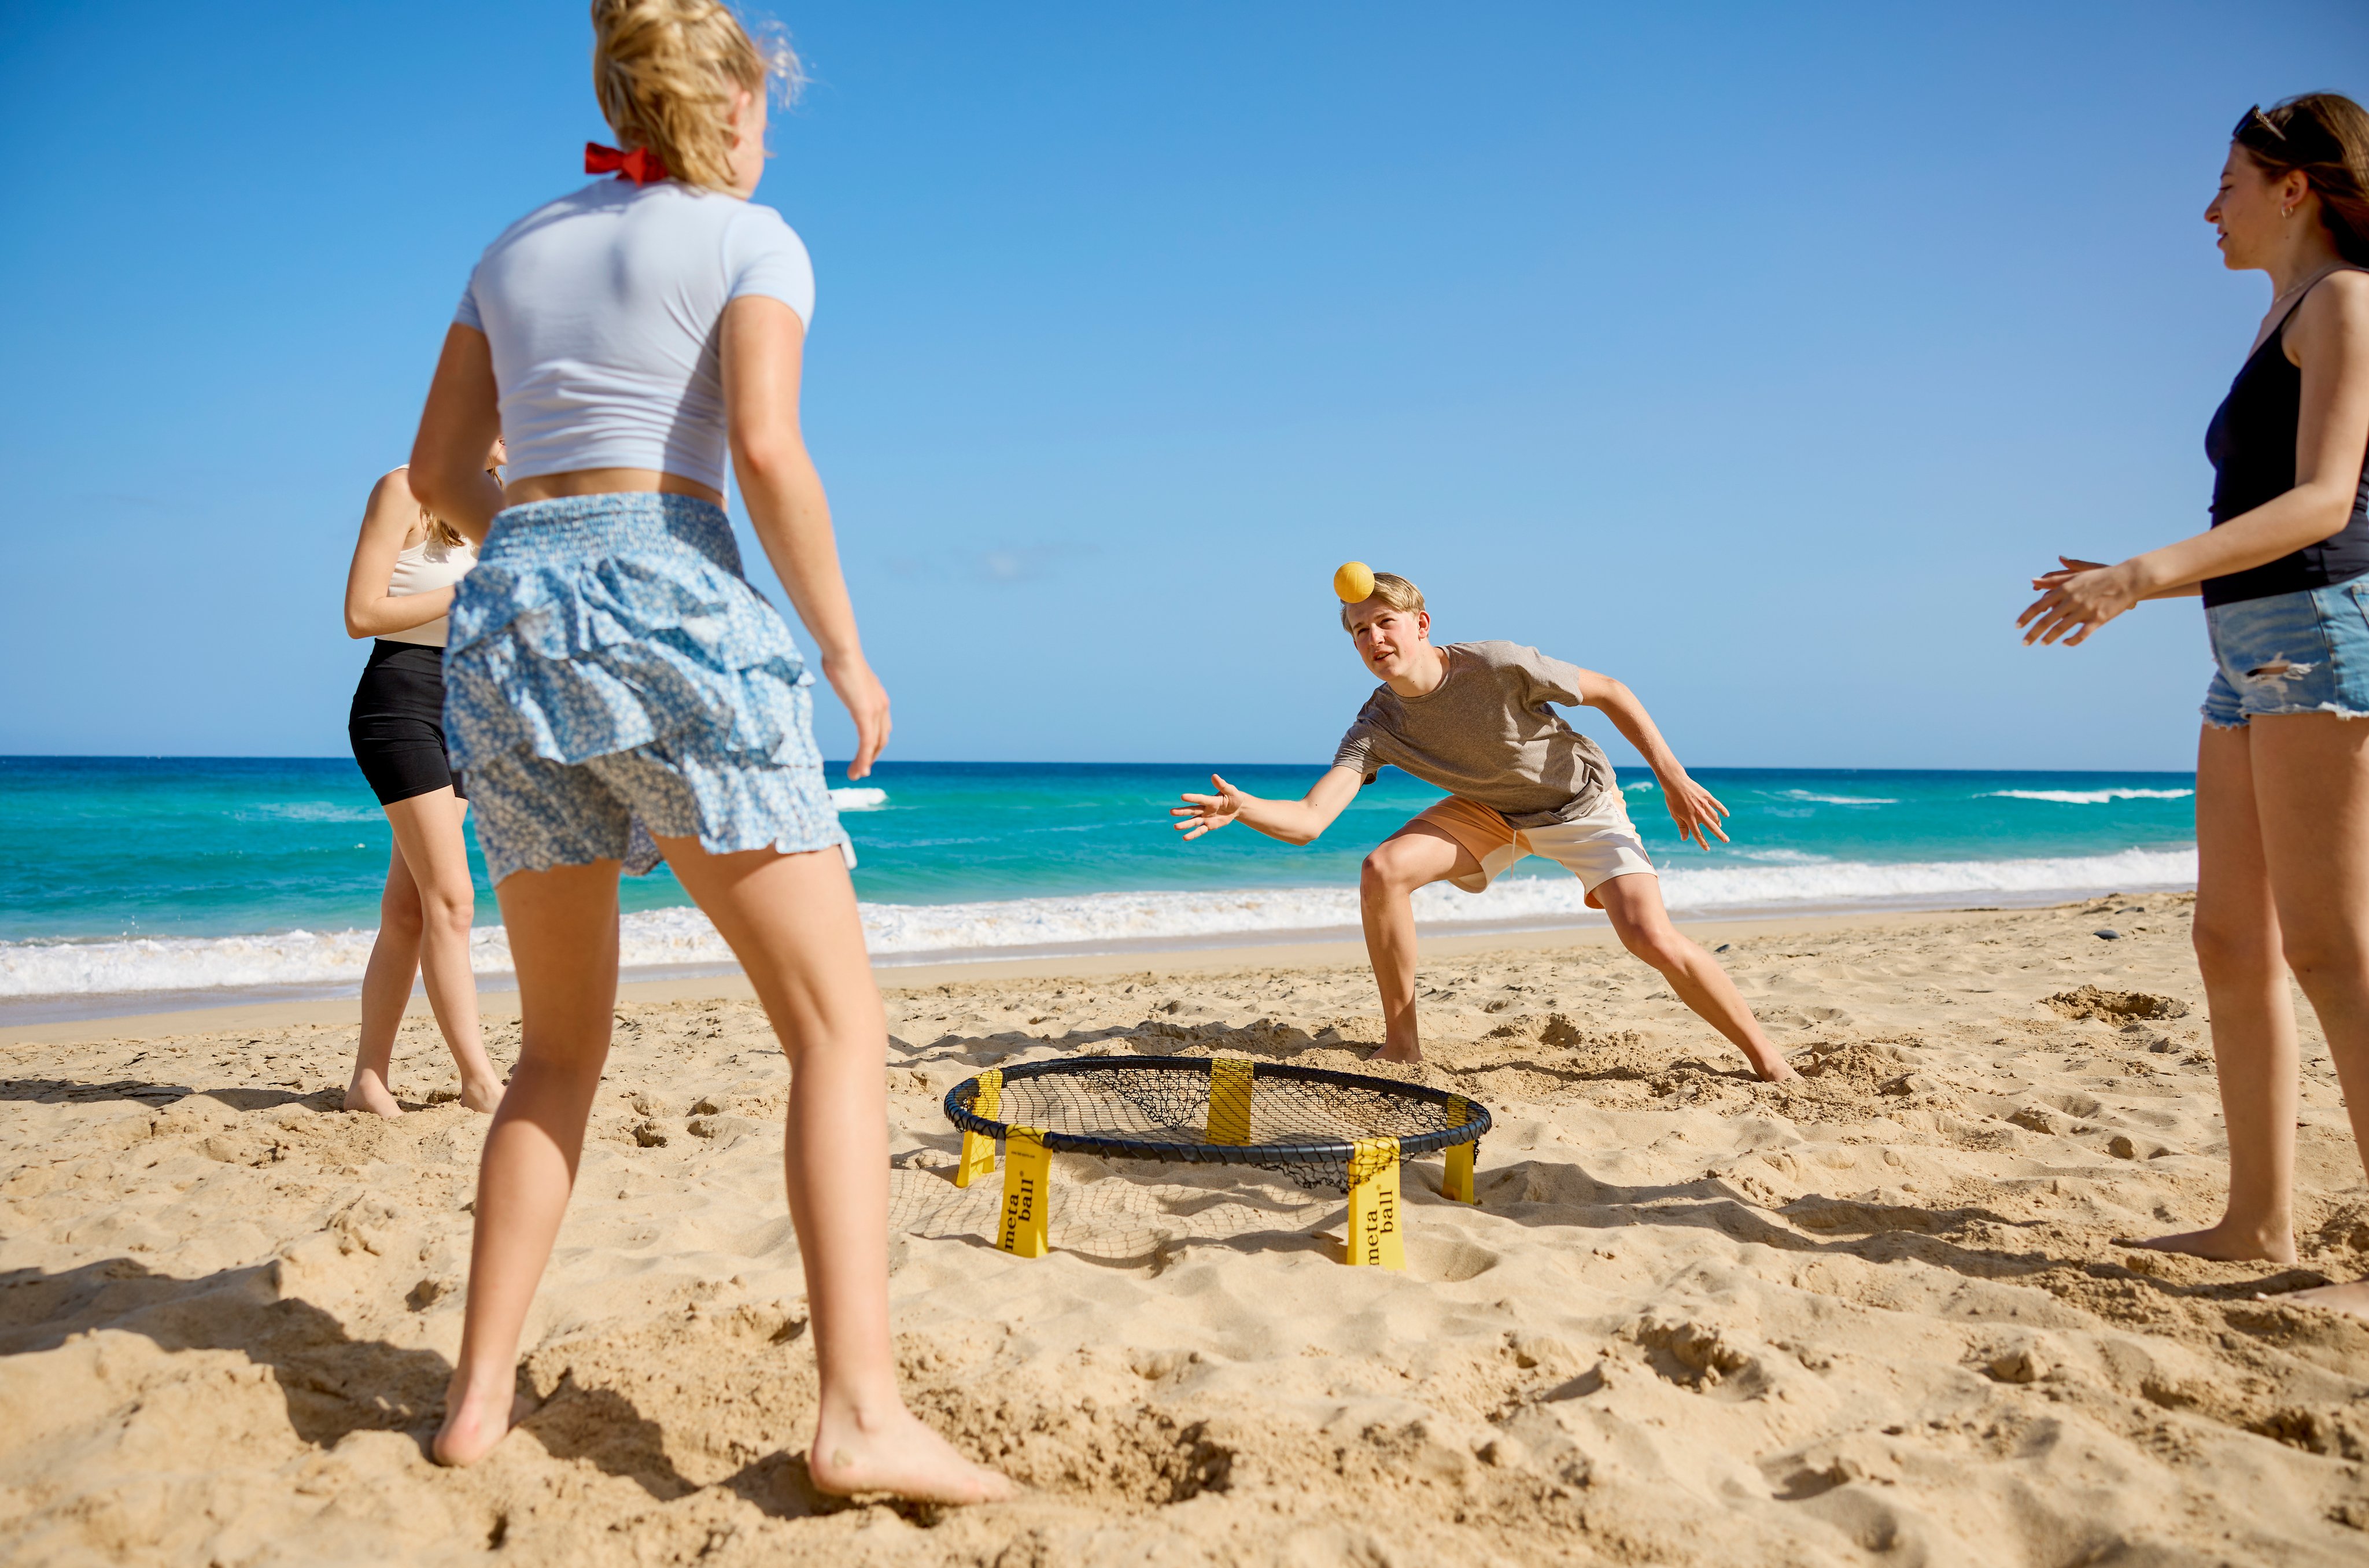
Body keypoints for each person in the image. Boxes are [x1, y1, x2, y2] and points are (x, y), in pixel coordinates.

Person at [404, 0, 1010, 1499]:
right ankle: (860, 1408)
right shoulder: (755, 237)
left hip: (507, 629)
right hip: (677, 607)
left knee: (554, 1049)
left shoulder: (513, 245)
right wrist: (845, 648)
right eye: (768, 111)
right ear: (734, 103)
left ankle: (475, 1401)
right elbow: (762, 446)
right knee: (835, 1028)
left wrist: (546, 565)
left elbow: (434, 480)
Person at [2017, 93, 2369, 1317]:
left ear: (2295, 187)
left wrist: (2139, 573)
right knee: (2228, 938)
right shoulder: (2279, 312)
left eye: (2227, 178)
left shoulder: (2342, 302)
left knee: (2331, 947)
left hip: (2318, 642)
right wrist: (2156, 584)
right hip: (2244, 651)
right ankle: (2257, 1217)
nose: (2206, 204)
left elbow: (2325, 502)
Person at [1171, 571, 1795, 1080]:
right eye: (1359, 631)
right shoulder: (1376, 725)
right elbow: (1311, 819)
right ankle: (1402, 1045)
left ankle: (1767, 1059)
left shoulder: (1495, 664)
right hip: (1489, 811)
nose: (1373, 638)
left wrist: (1672, 776)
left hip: (1579, 805)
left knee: (1648, 937)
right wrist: (1243, 807)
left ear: (1420, 624)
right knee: (1381, 869)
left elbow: (1609, 689)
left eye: (1384, 622)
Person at [340, 449, 510, 1117]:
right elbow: (361, 613)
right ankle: (479, 1080)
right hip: (401, 701)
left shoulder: (500, 505)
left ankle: (367, 1080)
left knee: (410, 910)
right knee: (453, 899)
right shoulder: (403, 487)